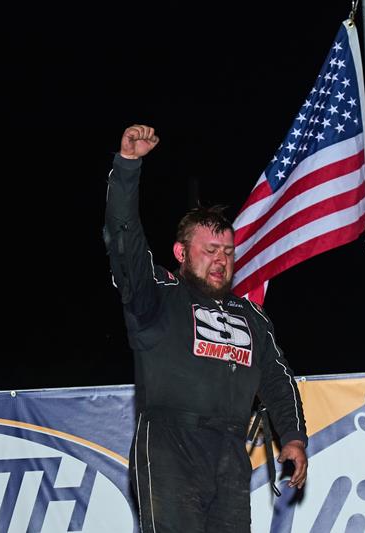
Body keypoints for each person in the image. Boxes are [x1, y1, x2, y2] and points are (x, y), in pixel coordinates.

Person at [103, 124, 308, 532]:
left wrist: (294, 437)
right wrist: (127, 167)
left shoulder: (251, 316)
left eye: (228, 252)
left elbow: (276, 378)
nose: (221, 260)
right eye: (210, 250)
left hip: (230, 453)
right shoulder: (157, 296)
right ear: (181, 253)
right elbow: (125, 242)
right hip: (170, 447)